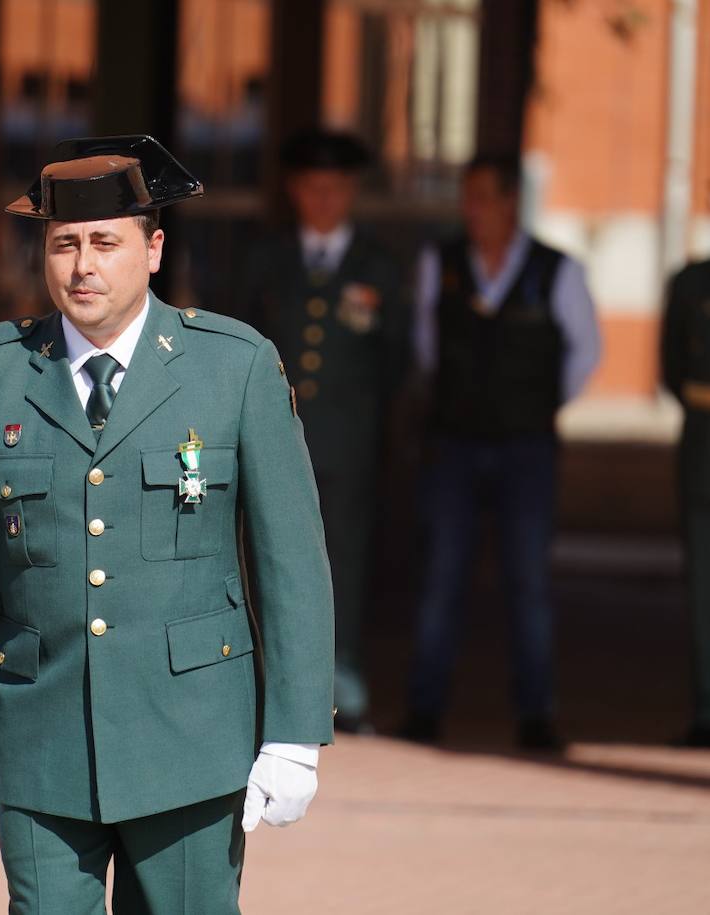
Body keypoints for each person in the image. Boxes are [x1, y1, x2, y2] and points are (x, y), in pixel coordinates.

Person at [0, 135, 335, 913]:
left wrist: (296, 732)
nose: (83, 266)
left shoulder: (233, 367)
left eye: (106, 242)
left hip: (191, 739)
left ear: (154, 248)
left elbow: (290, 562)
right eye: (65, 244)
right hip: (40, 738)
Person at [403, 153, 601, 751]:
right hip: (456, 443)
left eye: (484, 197)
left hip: (526, 448)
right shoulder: (441, 262)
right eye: (468, 197)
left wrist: (536, 408)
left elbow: (586, 354)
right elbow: (427, 345)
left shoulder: (556, 270)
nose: (473, 210)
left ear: (511, 202)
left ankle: (536, 715)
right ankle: (424, 711)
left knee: (529, 581)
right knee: (443, 576)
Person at [227, 128, 409, 734]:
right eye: (312, 188)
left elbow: (398, 363)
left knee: (346, 562)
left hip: (349, 443)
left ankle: (342, 681)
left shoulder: (380, 265)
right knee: (265, 557)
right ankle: (266, 680)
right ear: (295, 191)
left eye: (336, 189)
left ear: (352, 192)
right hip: (274, 439)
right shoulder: (264, 257)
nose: (324, 200)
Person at [661, 259, 710, 748]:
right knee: (703, 587)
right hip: (704, 447)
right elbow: (672, 367)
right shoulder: (692, 282)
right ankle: (706, 708)